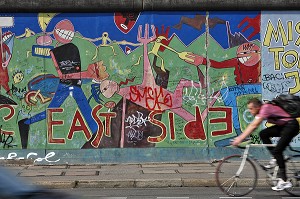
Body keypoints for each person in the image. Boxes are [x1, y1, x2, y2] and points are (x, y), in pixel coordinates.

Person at [231, 97, 299, 191]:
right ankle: (275, 158)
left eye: (251, 109)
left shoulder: (265, 108)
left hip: (291, 126)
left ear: (257, 107)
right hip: (284, 126)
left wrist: (239, 138)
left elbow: (253, 125)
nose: (250, 111)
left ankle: (284, 181)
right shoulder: (264, 109)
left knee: (278, 151)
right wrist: (244, 137)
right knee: (263, 134)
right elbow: (253, 127)